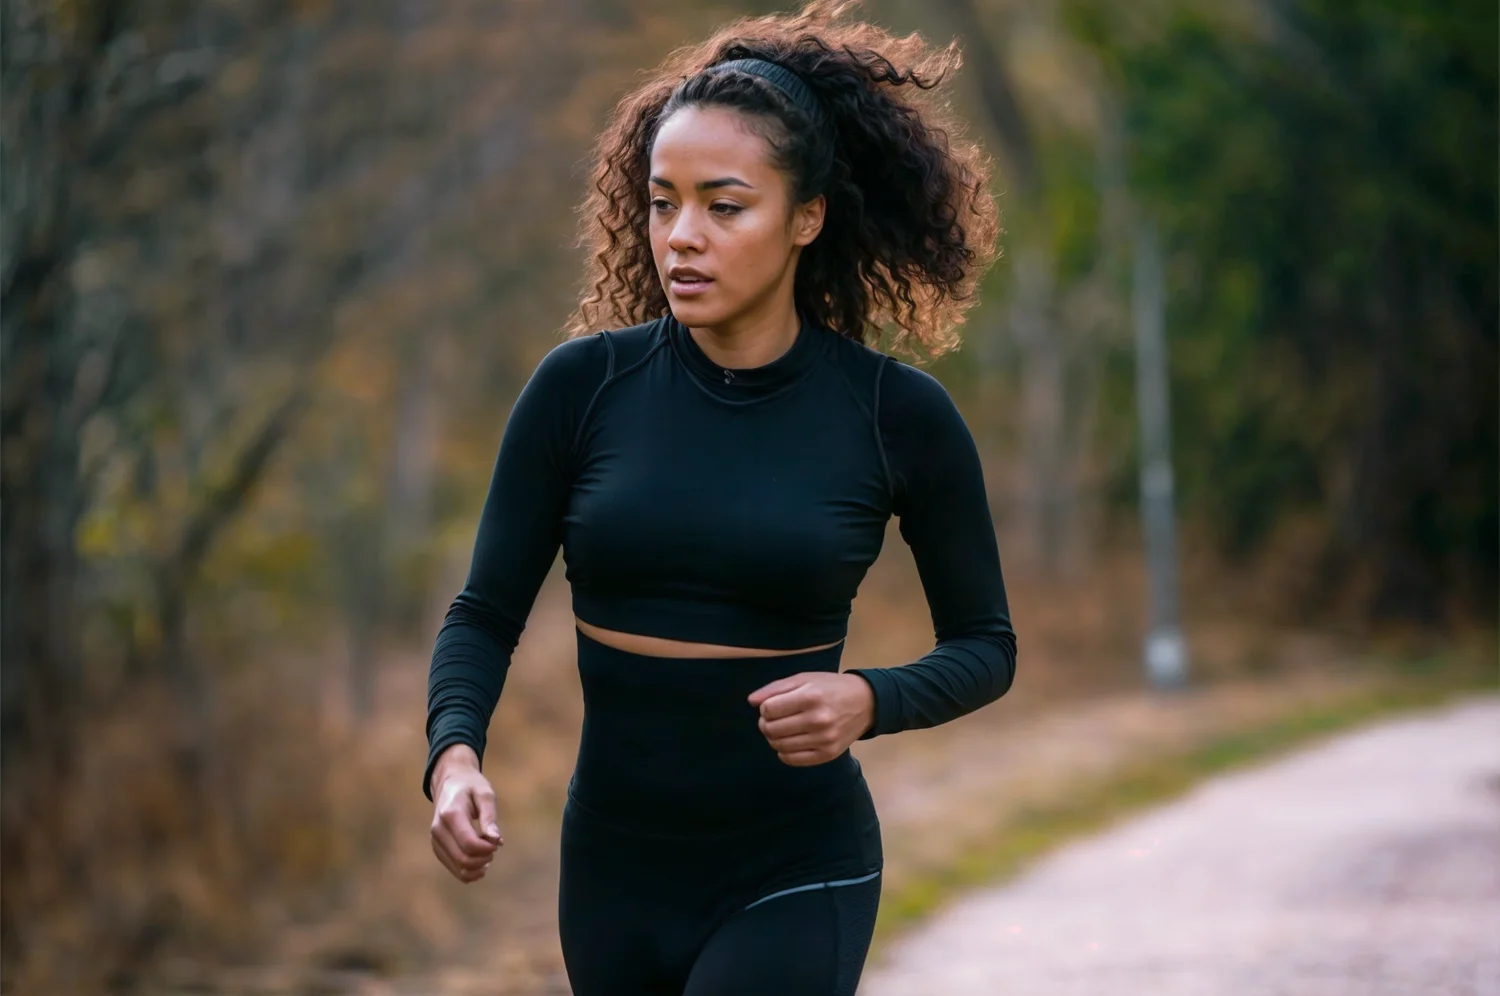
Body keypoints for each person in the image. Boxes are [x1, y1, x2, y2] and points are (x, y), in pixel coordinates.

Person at [423, 3, 1016, 993]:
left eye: (724, 206)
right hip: (613, 871)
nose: (681, 237)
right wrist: (453, 758)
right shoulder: (581, 390)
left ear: (807, 217)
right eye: (663, 204)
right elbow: (483, 613)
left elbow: (987, 646)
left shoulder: (893, 415)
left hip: (796, 865)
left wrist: (868, 698)